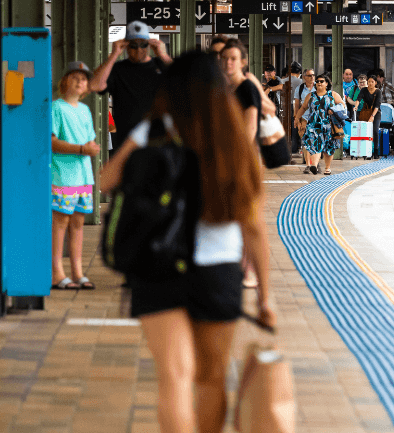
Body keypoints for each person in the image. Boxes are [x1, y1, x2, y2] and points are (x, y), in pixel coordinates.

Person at [100, 51, 273, 433]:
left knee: (174, 378)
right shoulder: (232, 138)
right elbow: (254, 227)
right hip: (218, 271)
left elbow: (106, 180)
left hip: (157, 266)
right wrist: (265, 298)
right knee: (210, 379)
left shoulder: (156, 129)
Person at [50, 61, 100, 290]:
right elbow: (51, 142)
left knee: (78, 222)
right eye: (75, 77)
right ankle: (56, 271)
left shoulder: (85, 110)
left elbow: (89, 139)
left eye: (84, 79)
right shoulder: (56, 108)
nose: (80, 82)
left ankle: (77, 271)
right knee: (61, 222)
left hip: (83, 176)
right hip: (63, 174)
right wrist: (82, 150)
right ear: (65, 81)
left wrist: (90, 148)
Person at [89, 21, 171, 152]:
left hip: (158, 139)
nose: (139, 49)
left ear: (149, 45)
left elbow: (185, 80)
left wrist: (163, 55)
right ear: (126, 46)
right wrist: (114, 54)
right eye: (133, 45)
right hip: (126, 142)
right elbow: (95, 86)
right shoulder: (118, 69)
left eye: (143, 44)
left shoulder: (160, 65)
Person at [296, 75, 346, 175]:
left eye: (321, 81)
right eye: (317, 81)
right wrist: (297, 118)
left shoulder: (333, 94)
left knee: (329, 147)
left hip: (329, 125)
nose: (319, 83)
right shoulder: (310, 96)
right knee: (315, 143)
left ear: (326, 83)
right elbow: (303, 108)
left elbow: (342, 105)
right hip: (314, 125)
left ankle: (327, 168)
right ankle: (314, 165)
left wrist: (333, 109)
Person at [220, 39, 262, 144]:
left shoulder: (247, 88)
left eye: (233, 59)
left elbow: (250, 132)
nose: (228, 62)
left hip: (241, 155)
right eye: (224, 58)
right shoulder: (226, 88)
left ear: (243, 62)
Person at [355, 76, 381, 159]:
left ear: (375, 83)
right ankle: (367, 151)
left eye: (372, 82)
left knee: (375, 131)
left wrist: (372, 116)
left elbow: (377, 105)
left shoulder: (378, 92)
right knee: (365, 131)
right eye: (369, 81)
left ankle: (376, 151)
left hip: (376, 113)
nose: (370, 83)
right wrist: (356, 106)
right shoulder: (364, 90)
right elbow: (358, 99)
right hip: (365, 112)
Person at [283, 63, 304, 155]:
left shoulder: (283, 81)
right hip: (297, 106)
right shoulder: (301, 82)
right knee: (296, 127)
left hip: (285, 106)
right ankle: (295, 147)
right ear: (299, 72)